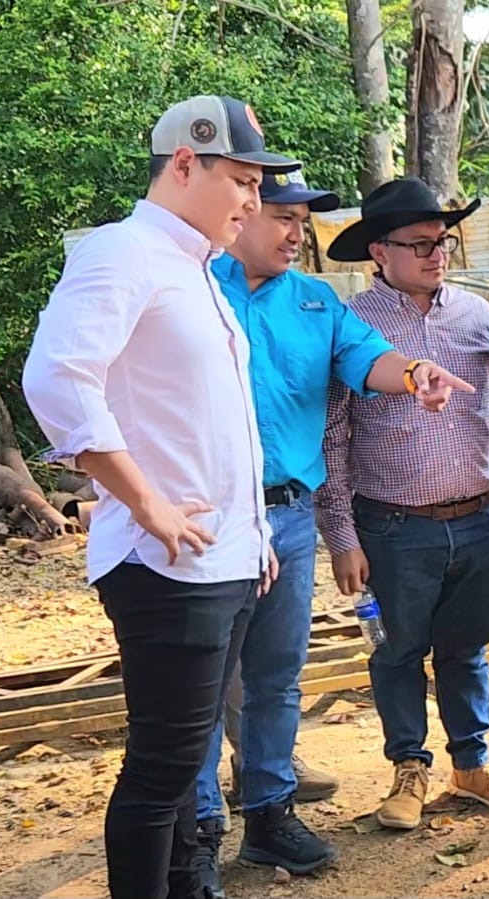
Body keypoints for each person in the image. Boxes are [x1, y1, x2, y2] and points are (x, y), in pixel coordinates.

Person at [21, 95, 295, 899]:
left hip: (225, 560)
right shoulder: (123, 252)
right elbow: (59, 377)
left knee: (184, 763)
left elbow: (209, 422)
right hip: (167, 566)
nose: (253, 201)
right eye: (241, 181)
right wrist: (145, 502)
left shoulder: (197, 270)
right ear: (185, 163)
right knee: (164, 767)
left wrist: (253, 534)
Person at [192, 168, 472, 881]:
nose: (294, 233)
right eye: (281, 217)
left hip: (286, 516)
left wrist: (413, 374)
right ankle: (193, 832)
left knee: (276, 677)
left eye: (301, 222)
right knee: (199, 680)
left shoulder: (318, 302)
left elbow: (365, 356)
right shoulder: (191, 289)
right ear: (243, 212)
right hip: (208, 514)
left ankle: (269, 813)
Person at [317, 178, 489, 830]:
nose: (437, 254)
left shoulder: (477, 315)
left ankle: (472, 766)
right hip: (390, 528)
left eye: (442, 241)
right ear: (379, 251)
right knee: (392, 648)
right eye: (419, 244)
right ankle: (408, 769)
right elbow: (334, 437)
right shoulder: (352, 328)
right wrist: (343, 537)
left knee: (467, 647)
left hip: (479, 520)